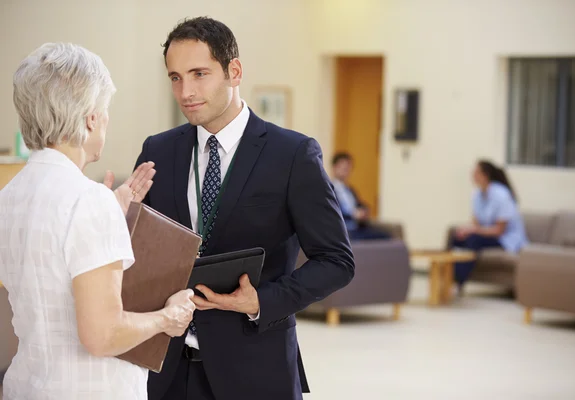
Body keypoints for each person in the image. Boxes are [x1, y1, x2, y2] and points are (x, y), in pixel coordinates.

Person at [134, 17, 355, 400]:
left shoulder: (293, 154)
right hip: (165, 373)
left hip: (256, 370)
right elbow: (140, 254)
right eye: (175, 77)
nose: (186, 91)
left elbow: (336, 260)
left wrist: (262, 301)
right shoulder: (158, 150)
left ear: (233, 71)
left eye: (199, 74)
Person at [0, 43, 196, 400]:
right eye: (105, 112)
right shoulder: (89, 201)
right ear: (91, 118)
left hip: (28, 384)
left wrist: (111, 212)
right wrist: (167, 318)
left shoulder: (9, 197)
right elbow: (103, 335)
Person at [451, 159, 529, 290]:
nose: (472, 175)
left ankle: (458, 281)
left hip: (506, 239)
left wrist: (473, 231)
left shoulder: (501, 195)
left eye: (476, 172)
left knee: (473, 240)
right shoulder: (476, 195)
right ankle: (448, 276)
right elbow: (476, 223)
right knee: (456, 237)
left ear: (485, 175)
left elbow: (499, 231)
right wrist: (465, 229)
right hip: (489, 235)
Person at [331, 152, 391, 240]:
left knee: (386, 237)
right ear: (334, 167)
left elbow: (360, 204)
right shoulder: (329, 190)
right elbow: (333, 212)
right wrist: (353, 215)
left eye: (348, 168)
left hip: (358, 227)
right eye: (342, 167)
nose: (345, 170)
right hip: (345, 230)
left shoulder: (350, 190)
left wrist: (364, 211)